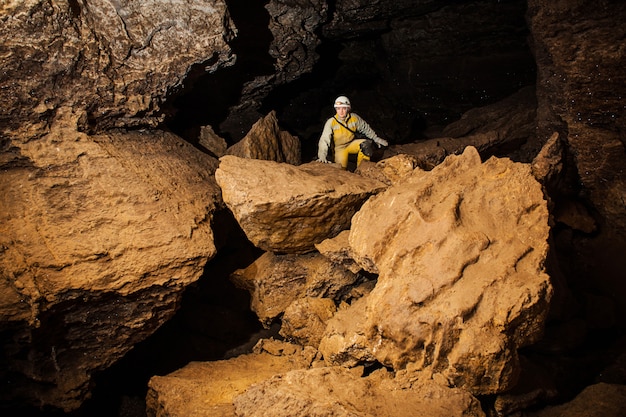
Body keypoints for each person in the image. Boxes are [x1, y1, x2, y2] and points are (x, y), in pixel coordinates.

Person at [316, 96, 388, 169]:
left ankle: (362, 169)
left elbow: (365, 128)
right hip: (339, 148)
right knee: (340, 169)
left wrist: (376, 138)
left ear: (348, 109)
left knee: (366, 145)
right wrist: (322, 156)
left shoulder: (354, 118)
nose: (341, 111)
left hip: (351, 144)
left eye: (344, 108)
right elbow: (324, 140)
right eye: (338, 108)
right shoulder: (331, 122)